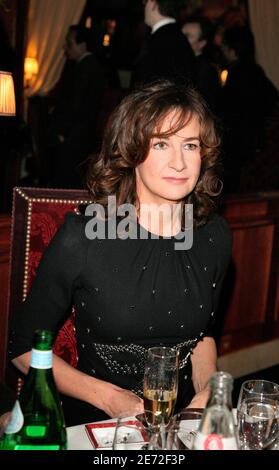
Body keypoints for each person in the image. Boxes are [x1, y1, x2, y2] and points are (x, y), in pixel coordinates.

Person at [9, 80, 232, 426]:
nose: (179, 162)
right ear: (131, 152)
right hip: (97, 418)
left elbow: (201, 338)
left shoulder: (215, 236)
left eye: (190, 145)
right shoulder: (83, 238)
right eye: (161, 144)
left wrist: (206, 394)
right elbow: (23, 350)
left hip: (181, 420)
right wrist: (111, 400)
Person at [219, 26, 279, 192]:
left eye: (224, 45)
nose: (222, 49)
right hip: (258, 144)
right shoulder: (255, 71)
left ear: (232, 49)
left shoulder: (236, 74)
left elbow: (229, 112)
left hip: (245, 146)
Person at [46, 24, 106, 189]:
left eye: (70, 43)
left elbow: (78, 105)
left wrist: (62, 132)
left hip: (75, 136)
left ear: (82, 44)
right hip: (78, 134)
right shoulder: (86, 66)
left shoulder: (87, 68)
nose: (66, 47)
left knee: (67, 181)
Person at [133, 0, 196, 86]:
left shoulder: (162, 39)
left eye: (145, 2)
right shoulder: (175, 36)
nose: (144, 7)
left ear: (153, 4)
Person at [181, 16, 221, 111]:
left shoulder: (206, 71)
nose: (180, 40)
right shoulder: (180, 63)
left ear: (202, 43)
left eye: (187, 36)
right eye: (180, 35)